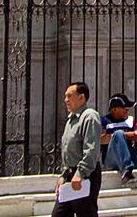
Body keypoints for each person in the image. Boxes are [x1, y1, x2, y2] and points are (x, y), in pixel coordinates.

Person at [55, 83, 102, 217]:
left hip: (85, 175)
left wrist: (80, 173)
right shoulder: (71, 119)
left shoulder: (89, 116)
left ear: (81, 97)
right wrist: (63, 175)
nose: (66, 100)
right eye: (65, 96)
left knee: (86, 213)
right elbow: (67, 150)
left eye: (69, 96)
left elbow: (91, 149)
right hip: (70, 174)